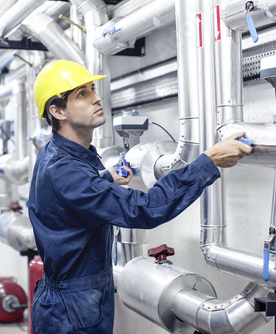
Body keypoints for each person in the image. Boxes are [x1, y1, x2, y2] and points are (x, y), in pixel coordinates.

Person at [28, 59, 253, 334]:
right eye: (82, 94)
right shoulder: (66, 170)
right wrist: (209, 161)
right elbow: (143, 209)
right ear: (57, 110)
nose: (97, 98)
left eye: (93, 89)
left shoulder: (56, 154)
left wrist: (106, 179)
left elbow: (72, 200)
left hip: (70, 301)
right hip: (73, 309)